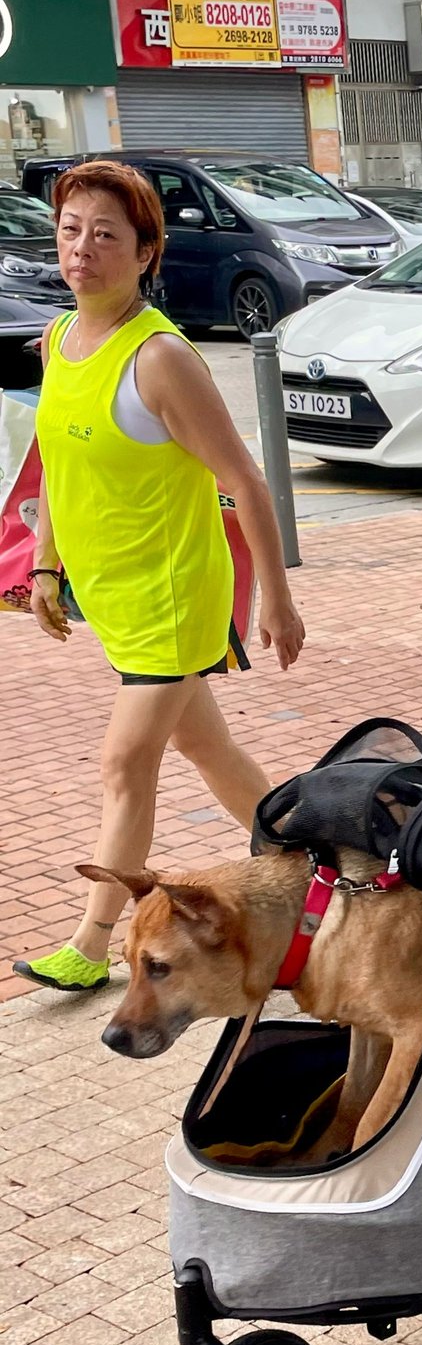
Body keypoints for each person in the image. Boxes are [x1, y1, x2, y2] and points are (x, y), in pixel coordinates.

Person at [14, 160, 303, 994]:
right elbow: (58, 462)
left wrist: (277, 600)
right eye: (71, 230)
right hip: (114, 596)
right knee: (205, 746)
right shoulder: (60, 342)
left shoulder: (162, 358)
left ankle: (92, 942)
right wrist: (45, 566)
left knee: (125, 764)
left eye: (106, 235)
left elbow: (246, 481)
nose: (82, 248)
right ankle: (303, 857)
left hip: (175, 595)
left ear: (146, 253)